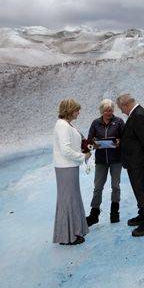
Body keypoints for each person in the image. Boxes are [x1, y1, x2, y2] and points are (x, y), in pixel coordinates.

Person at [116, 94, 144, 237]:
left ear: (125, 105)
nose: (121, 112)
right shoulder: (136, 113)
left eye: (121, 108)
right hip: (134, 161)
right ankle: (143, 215)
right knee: (138, 190)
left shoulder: (138, 115)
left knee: (141, 190)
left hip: (138, 162)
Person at [53, 99, 91, 245]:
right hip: (66, 167)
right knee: (68, 200)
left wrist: (84, 148)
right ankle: (67, 236)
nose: (78, 112)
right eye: (76, 110)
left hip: (68, 166)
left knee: (70, 199)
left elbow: (71, 146)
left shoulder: (66, 124)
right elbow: (65, 150)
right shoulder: (62, 126)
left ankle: (71, 233)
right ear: (69, 110)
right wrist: (83, 156)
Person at [85, 99, 125, 226]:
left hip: (116, 160)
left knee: (115, 185)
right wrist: (93, 144)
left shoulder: (118, 122)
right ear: (101, 111)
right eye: (106, 110)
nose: (108, 112)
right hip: (101, 160)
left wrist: (119, 142)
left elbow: (125, 138)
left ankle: (114, 213)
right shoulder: (95, 123)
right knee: (98, 187)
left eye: (111, 110)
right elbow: (89, 140)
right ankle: (94, 214)